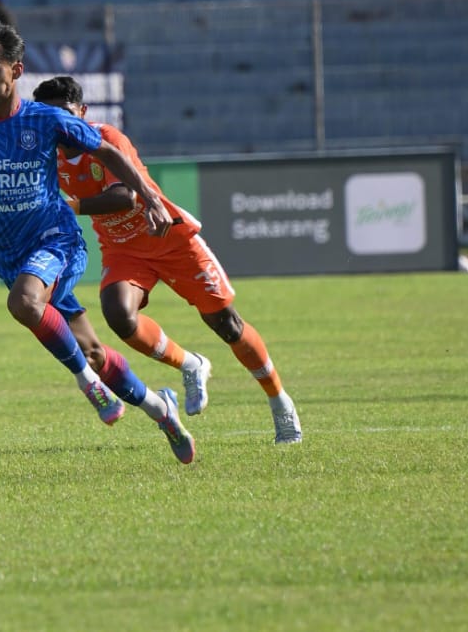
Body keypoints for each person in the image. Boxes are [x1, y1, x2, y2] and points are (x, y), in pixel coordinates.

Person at [0, 21, 196, 464]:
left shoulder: (45, 119)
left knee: (25, 303)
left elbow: (108, 152)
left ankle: (89, 387)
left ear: (16, 70)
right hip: (11, 257)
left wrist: (150, 197)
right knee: (93, 351)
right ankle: (162, 410)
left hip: (56, 241)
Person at [33, 76, 303, 445]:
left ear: (81, 112)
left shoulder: (107, 139)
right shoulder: (46, 153)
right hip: (123, 248)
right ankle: (190, 364)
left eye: (63, 114)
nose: (58, 125)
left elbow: (125, 196)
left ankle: (279, 401)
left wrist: (71, 205)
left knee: (226, 324)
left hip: (171, 240)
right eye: (47, 117)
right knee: (118, 316)